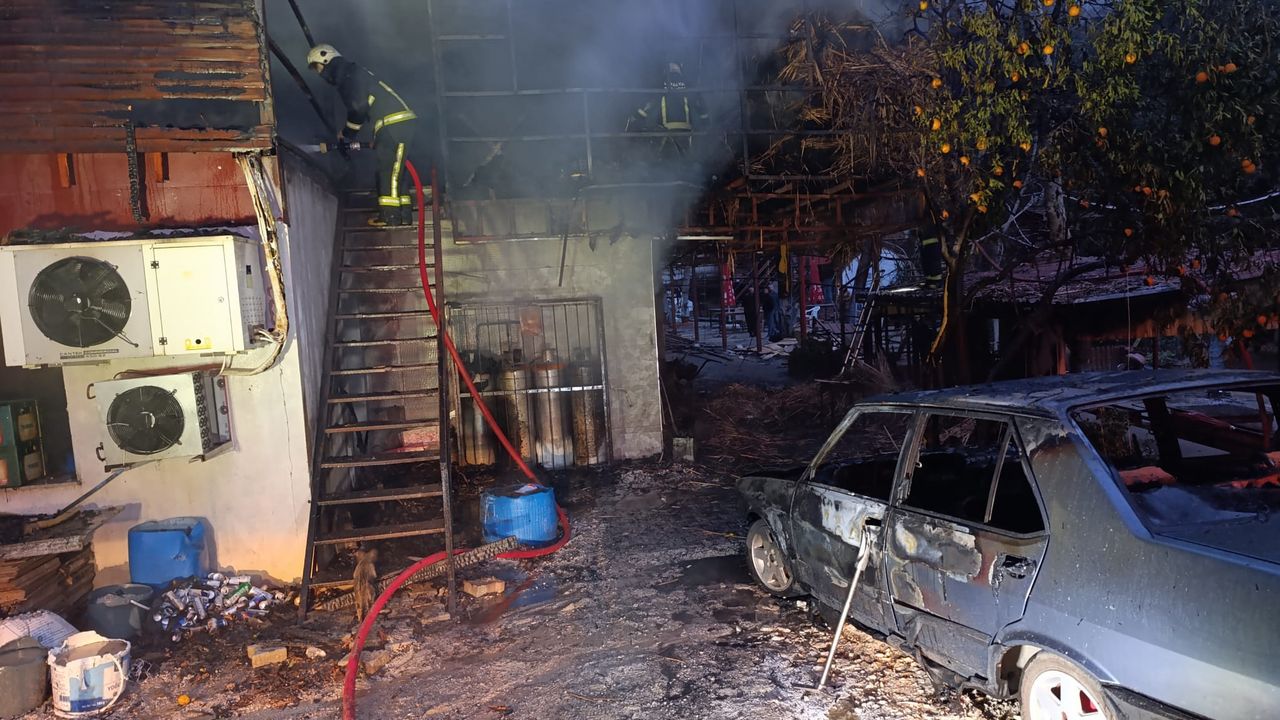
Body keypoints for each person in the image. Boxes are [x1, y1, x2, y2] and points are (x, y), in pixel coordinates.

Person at [307, 44, 417, 227]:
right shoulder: (351, 72)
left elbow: (358, 108)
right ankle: (403, 215)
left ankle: (390, 216)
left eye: (318, 68)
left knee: (387, 171)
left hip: (393, 124)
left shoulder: (347, 76)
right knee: (397, 172)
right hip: (394, 124)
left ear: (326, 60)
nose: (319, 74)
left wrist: (347, 133)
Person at [629, 62, 708, 162]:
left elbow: (648, 104)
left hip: (665, 134)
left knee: (666, 162)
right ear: (681, 66)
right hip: (686, 133)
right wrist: (706, 122)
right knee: (686, 162)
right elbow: (700, 106)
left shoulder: (660, 83)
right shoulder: (689, 84)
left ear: (665, 69)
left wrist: (636, 117)